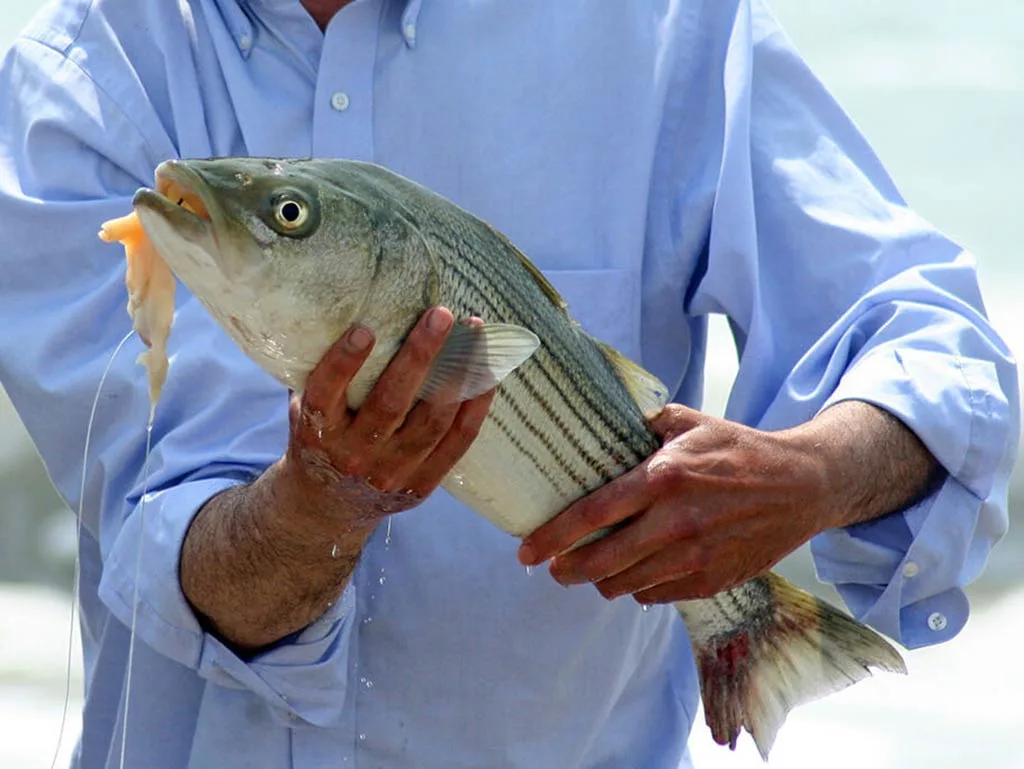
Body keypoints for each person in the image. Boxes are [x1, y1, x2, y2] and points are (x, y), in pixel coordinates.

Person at [0, 0, 1017, 767]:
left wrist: (809, 476)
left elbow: (930, 334)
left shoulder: (656, 28)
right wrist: (321, 502)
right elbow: (176, 548)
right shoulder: (83, 75)